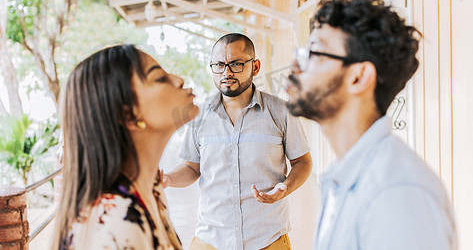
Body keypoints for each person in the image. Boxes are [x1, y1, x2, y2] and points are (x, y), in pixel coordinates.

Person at [285, 0, 457, 250]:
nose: (295, 66)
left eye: (315, 52)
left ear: (358, 77)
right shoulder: (347, 176)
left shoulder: (396, 194)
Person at [163, 33, 313, 249]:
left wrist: (286, 187)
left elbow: (303, 162)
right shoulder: (199, 115)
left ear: (256, 67)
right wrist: (167, 178)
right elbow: (191, 167)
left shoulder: (281, 112)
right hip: (211, 239)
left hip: (268, 238)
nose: (226, 72)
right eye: (219, 65)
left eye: (236, 64)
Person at [51, 44, 200, 250]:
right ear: (128, 114)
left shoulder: (151, 189)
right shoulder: (116, 223)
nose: (178, 79)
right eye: (159, 78)